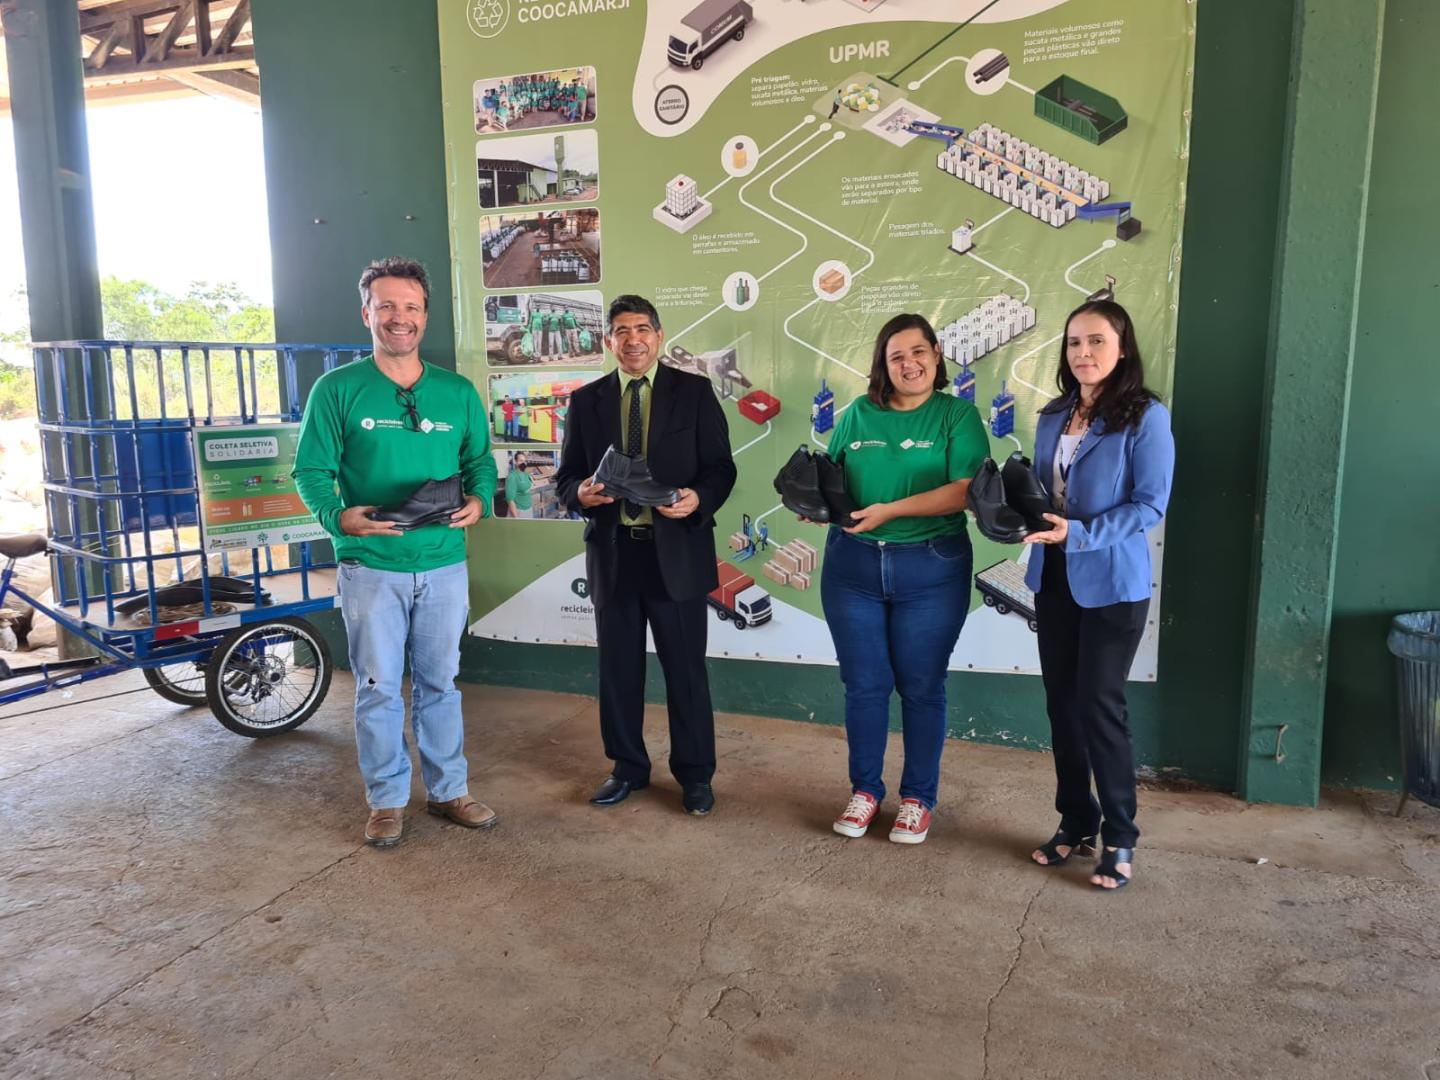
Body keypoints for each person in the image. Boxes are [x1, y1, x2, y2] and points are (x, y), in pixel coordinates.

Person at [294, 256, 498, 848]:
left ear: (425, 317)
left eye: (410, 307)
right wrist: (339, 518)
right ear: (367, 313)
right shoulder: (337, 390)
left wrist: (480, 499)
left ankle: (448, 791)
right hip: (371, 568)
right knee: (379, 687)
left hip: (443, 563)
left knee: (441, 682)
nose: (398, 317)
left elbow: (479, 461)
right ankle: (386, 800)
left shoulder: (456, 393)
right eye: (386, 306)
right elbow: (310, 469)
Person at [554, 295, 737, 816]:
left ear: (657, 336)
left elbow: (720, 469)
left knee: (686, 673)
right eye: (621, 330)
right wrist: (579, 495)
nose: (632, 339)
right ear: (608, 341)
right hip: (615, 556)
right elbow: (567, 476)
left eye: (642, 329)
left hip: (675, 555)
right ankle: (628, 768)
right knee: (618, 672)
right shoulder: (586, 400)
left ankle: (696, 776)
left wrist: (699, 498)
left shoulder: (695, 393)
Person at [1022, 299, 1174, 890]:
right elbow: (1043, 489)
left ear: (1122, 348)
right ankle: (1075, 822)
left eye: (1096, 342)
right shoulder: (1054, 413)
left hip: (1112, 585)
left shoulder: (1145, 416)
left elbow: (1149, 504)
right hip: (1052, 576)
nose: (1082, 354)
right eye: (1073, 343)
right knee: (1062, 704)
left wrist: (1079, 533)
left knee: (1099, 708)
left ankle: (1121, 836)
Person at [822, 313, 988, 845]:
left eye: (918, 352)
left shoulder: (957, 415)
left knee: (921, 686)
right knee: (865, 687)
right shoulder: (856, 414)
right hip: (852, 568)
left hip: (932, 568)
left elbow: (966, 488)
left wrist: (890, 510)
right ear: (883, 364)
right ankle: (865, 791)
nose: (909, 364)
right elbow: (832, 477)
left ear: (936, 355)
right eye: (896, 356)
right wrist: (818, 504)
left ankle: (917, 799)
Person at [506, 452, 534, 518]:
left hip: (529, 509)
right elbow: (510, 500)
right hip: (519, 511)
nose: (523, 463)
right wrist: (517, 519)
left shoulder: (526, 474)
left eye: (525, 461)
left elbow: (527, 487)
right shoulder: (512, 476)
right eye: (521, 460)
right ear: (515, 462)